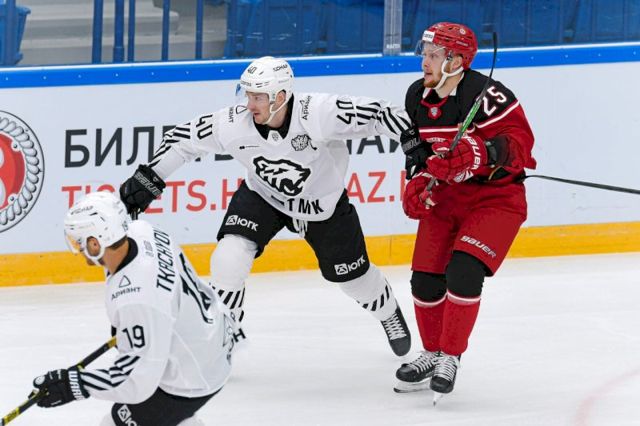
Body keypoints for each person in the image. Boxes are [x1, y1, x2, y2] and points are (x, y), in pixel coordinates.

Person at [119, 56, 413, 356]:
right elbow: (182, 139)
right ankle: (224, 334)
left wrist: (414, 144)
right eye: (248, 95)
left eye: (258, 97)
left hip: (321, 206)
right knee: (229, 257)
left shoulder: (318, 112)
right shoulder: (233, 123)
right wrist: (149, 178)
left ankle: (388, 312)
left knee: (353, 280)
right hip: (263, 196)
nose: (250, 104)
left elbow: (380, 113)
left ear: (280, 97)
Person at [395, 22, 536, 401]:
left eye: (433, 55)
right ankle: (431, 352)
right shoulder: (417, 95)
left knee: (463, 270)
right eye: (424, 54)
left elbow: (521, 145)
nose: (424, 62)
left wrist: (482, 153)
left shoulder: (488, 96)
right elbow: (417, 151)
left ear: (456, 61)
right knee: (425, 280)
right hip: (446, 198)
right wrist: (417, 181)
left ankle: (450, 356)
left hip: (496, 198)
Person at [31, 191, 235, 425]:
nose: (78, 248)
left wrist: (75, 384)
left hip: (194, 376)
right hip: (212, 338)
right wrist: (133, 331)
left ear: (95, 243)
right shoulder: (143, 231)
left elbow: (137, 383)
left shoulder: (136, 300)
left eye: (79, 241)